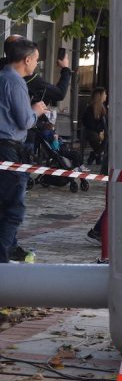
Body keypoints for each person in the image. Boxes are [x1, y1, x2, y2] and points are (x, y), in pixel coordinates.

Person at [0, 38, 47, 264]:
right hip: (9, 148)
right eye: (36, 60)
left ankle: (10, 247)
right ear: (27, 60)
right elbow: (24, 120)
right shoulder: (15, 81)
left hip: (5, 148)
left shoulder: (2, 77)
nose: (37, 64)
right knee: (14, 207)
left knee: (4, 203)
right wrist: (35, 111)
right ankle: (3, 258)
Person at [81, 87, 108, 165]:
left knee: (107, 137)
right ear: (100, 96)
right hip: (91, 131)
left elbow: (104, 122)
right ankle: (97, 155)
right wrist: (100, 131)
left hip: (100, 131)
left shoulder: (103, 107)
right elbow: (89, 123)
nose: (106, 95)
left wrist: (102, 131)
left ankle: (95, 155)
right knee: (103, 138)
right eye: (104, 94)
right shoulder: (91, 108)